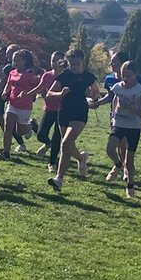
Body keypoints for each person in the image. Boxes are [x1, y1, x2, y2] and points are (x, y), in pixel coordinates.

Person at [47, 47, 98, 193]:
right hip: (64, 112)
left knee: (65, 143)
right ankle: (81, 158)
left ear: (83, 62)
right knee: (68, 146)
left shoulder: (89, 77)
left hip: (80, 113)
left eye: (77, 64)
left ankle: (59, 179)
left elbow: (96, 94)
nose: (74, 67)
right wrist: (60, 94)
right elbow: (49, 94)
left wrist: (92, 95)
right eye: (71, 64)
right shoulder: (64, 76)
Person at [101, 59, 141, 196]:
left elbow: (140, 112)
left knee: (129, 160)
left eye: (129, 75)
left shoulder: (139, 90)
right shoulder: (117, 87)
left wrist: (130, 107)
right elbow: (114, 99)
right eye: (123, 75)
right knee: (110, 148)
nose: (125, 78)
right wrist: (112, 115)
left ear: (135, 75)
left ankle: (130, 185)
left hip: (134, 126)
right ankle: (117, 164)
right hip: (119, 123)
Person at [0, 49, 41, 158]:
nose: (15, 62)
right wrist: (5, 92)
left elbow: (38, 87)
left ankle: (32, 125)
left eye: (18, 60)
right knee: (8, 128)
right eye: (14, 60)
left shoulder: (30, 74)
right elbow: (9, 84)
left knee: (20, 131)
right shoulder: (12, 72)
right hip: (12, 103)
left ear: (25, 61)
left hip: (25, 106)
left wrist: (29, 93)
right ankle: (6, 153)